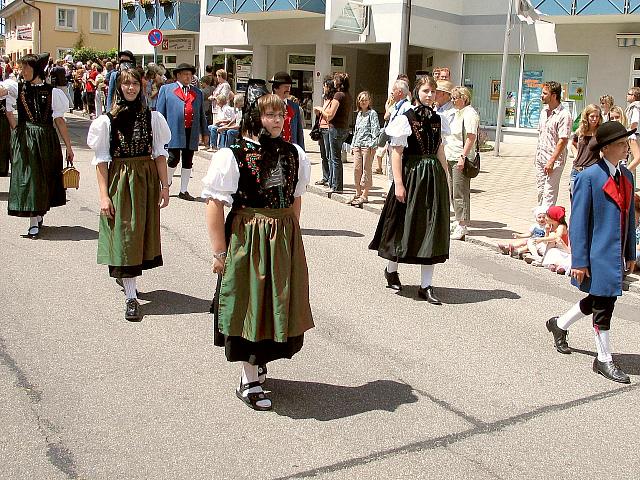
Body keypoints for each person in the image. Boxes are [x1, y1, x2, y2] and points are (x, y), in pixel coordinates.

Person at [202, 81, 313, 411]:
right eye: (269, 114)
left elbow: (295, 200)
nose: (277, 120)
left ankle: (259, 363)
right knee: (249, 302)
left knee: (275, 302)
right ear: (255, 116)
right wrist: (220, 252)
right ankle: (248, 378)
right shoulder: (233, 155)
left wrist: (292, 236)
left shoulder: (294, 154)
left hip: (281, 237)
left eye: (281, 114)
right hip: (248, 238)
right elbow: (214, 204)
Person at [546, 121, 636, 384]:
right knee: (603, 305)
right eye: (621, 144)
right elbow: (578, 223)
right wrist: (580, 260)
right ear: (606, 148)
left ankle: (559, 324)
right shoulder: (588, 177)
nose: (626, 149)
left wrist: (630, 252)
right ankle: (603, 358)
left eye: (626, 144)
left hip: (615, 253)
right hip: (596, 254)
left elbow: (629, 217)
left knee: (602, 299)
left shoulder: (627, 176)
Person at [87, 67, 171, 321]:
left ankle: (128, 283)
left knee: (137, 234)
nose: (131, 88)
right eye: (126, 84)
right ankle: (131, 298)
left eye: (135, 83)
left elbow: (159, 155)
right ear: (119, 87)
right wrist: (103, 196)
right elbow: (101, 162)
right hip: (121, 179)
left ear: (142, 86)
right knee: (126, 234)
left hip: (145, 180)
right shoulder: (107, 121)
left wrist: (165, 187)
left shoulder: (153, 117)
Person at [369, 75, 451, 304]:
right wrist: (399, 184)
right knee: (403, 225)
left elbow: (439, 150)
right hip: (412, 176)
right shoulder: (407, 118)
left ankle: (426, 286)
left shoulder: (438, 119)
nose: (430, 95)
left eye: (433, 92)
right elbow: (397, 153)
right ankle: (391, 269)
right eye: (426, 91)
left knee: (431, 228)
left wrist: (445, 176)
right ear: (417, 93)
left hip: (432, 178)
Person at [7, 53, 74, 238]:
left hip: (45, 139)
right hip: (25, 140)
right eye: (21, 67)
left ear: (36, 69)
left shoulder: (53, 92)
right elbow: (3, 92)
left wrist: (69, 147)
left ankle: (38, 213)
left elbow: (60, 121)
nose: (23, 71)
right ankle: (33, 220)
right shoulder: (17, 87)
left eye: (26, 67)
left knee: (43, 178)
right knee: (29, 178)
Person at [156, 63, 208, 201]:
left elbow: (202, 114)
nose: (188, 77)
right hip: (173, 130)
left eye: (190, 75)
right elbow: (160, 113)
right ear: (178, 75)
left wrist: (205, 132)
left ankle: (183, 190)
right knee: (173, 158)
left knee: (188, 160)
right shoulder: (166, 90)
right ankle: (166, 183)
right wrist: (158, 131)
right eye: (185, 74)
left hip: (191, 130)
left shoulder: (197, 92)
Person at [446, 86, 479, 240]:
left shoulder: (470, 113)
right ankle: (459, 219)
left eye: (455, 98)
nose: (453, 101)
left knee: (460, 191)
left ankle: (463, 224)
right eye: (452, 98)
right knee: (453, 191)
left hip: (461, 157)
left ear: (464, 98)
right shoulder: (457, 113)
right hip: (451, 155)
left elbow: (471, 137)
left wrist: (463, 156)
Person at [535, 81, 572, 208]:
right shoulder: (543, 112)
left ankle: (547, 224)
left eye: (545, 93)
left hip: (554, 161)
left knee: (549, 193)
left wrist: (552, 160)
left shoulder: (564, 115)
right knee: (540, 191)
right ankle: (541, 220)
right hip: (541, 158)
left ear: (554, 96)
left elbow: (563, 140)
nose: (542, 95)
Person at [314, 72, 351, 193]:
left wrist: (320, 109)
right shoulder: (347, 95)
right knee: (335, 157)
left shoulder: (339, 95)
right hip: (344, 128)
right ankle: (334, 184)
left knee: (334, 158)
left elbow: (329, 115)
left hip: (335, 128)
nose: (333, 82)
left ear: (339, 82)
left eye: (335, 80)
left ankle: (336, 186)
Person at [349, 91, 380, 206]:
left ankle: (365, 194)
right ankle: (358, 192)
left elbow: (375, 130)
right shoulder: (359, 114)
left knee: (366, 169)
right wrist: (353, 145)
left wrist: (373, 145)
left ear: (369, 101)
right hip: (357, 144)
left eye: (366, 100)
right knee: (357, 169)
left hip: (368, 145)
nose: (363, 102)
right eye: (361, 100)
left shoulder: (372, 113)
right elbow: (356, 131)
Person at [569, 104, 602, 195]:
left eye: (597, 116)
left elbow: (604, 150)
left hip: (592, 170)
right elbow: (573, 144)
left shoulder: (600, 132)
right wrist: (576, 155)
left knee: (588, 202)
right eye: (592, 116)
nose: (594, 119)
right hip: (577, 170)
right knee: (575, 201)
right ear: (586, 116)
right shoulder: (580, 131)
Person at [269, 71, 306, 149]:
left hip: (291, 150)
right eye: (286, 87)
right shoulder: (267, 105)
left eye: (289, 87)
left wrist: (301, 152)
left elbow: (299, 132)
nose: (288, 89)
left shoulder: (294, 106)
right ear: (276, 88)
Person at [313, 78, 336, 187]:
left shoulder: (333, 100)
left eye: (325, 86)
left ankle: (331, 178)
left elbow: (329, 115)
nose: (324, 88)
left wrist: (321, 110)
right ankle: (325, 176)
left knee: (328, 155)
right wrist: (318, 112)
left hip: (328, 128)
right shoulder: (326, 99)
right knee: (323, 155)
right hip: (321, 127)